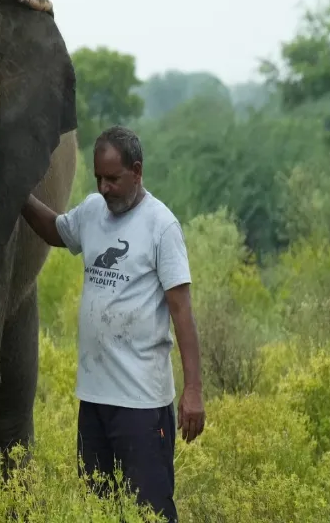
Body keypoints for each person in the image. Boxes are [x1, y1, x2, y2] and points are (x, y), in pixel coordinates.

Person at [20, 125, 204, 522]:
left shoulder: (161, 226)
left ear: (137, 172)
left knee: (149, 511)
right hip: (95, 399)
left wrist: (193, 390)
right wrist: (18, 194)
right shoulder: (91, 211)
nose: (104, 188)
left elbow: (182, 312)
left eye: (114, 179)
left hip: (142, 404)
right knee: (96, 508)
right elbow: (55, 231)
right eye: (98, 178)